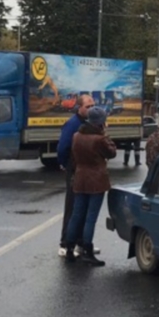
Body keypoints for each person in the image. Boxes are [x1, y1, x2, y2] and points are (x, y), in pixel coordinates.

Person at [64, 106, 116, 266]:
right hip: (96, 180)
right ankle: (87, 250)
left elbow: (73, 156)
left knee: (76, 214)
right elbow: (111, 153)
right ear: (101, 122)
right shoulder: (100, 139)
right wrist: (106, 136)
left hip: (80, 177)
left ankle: (69, 248)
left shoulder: (76, 136)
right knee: (90, 217)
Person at [56, 93, 95, 257]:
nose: (91, 109)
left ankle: (80, 241)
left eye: (93, 106)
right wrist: (66, 164)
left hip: (86, 169)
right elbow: (63, 147)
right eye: (88, 106)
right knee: (72, 206)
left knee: (84, 206)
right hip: (75, 168)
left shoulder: (89, 123)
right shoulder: (73, 124)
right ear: (79, 108)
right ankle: (65, 243)